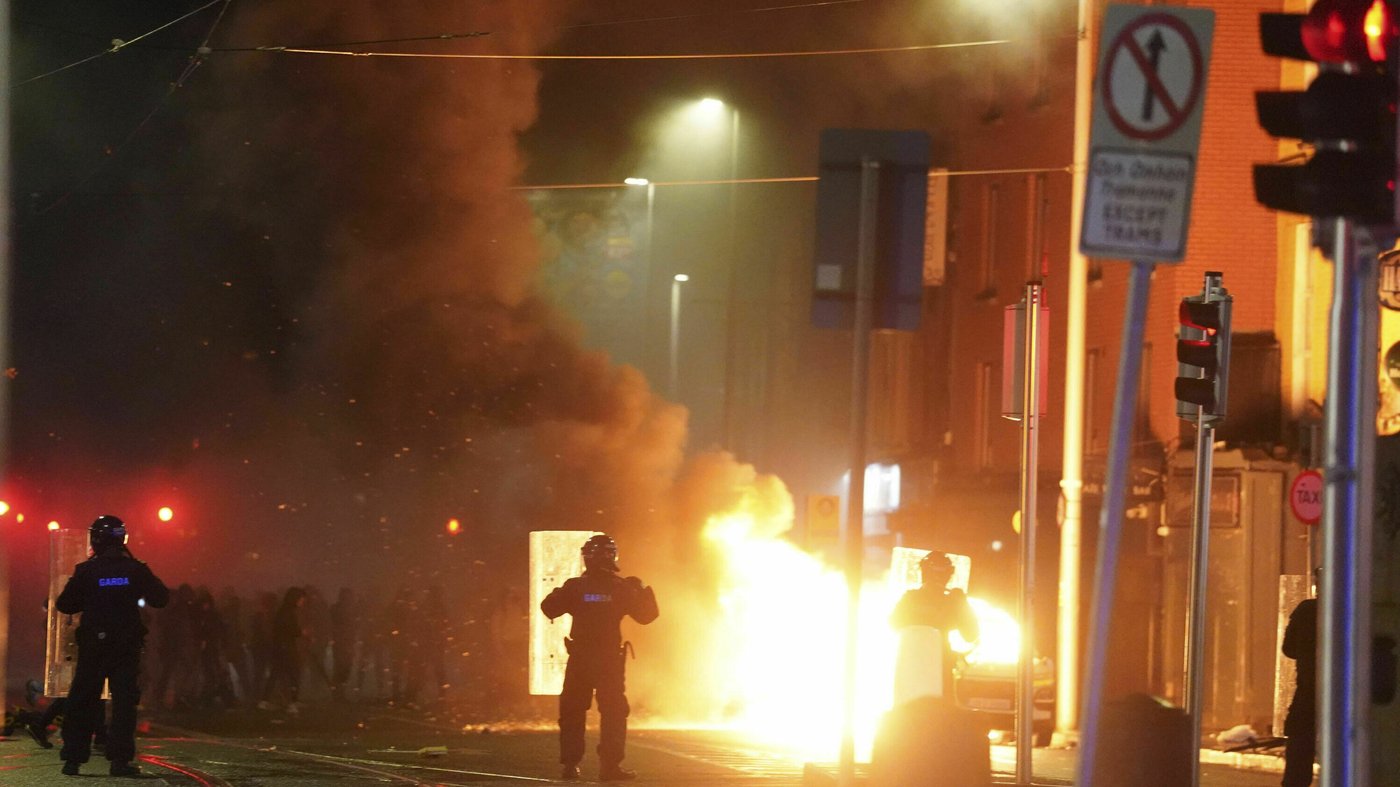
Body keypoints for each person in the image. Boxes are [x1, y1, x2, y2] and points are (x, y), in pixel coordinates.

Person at [56, 515, 170, 777]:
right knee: (124, 704)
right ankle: (119, 760)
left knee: (83, 700)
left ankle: (73, 759)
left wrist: (90, 598)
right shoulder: (135, 569)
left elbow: (65, 604)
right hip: (125, 646)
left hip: (93, 646)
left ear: (95, 539)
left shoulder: (86, 570)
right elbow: (160, 598)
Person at [541, 534, 658, 782]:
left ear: (587, 557)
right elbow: (647, 616)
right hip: (609, 661)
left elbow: (548, 607)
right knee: (614, 712)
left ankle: (570, 765)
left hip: (581, 659)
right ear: (612, 556)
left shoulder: (576, 587)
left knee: (573, 711)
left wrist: (563, 591)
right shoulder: (621, 588)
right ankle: (610, 766)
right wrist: (643, 590)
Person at [889, 552, 979, 703]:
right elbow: (971, 634)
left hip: (925, 666)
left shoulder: (950, 601)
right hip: (922, 666)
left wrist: (961, 605)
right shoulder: (913, 599)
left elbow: (971, 634)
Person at [1282, 580, 1319, 787]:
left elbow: (1288, 648)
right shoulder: (1355, 608)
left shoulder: (1306, 610)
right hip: (1345, 693)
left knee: (1300, 744)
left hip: (1308, 689)